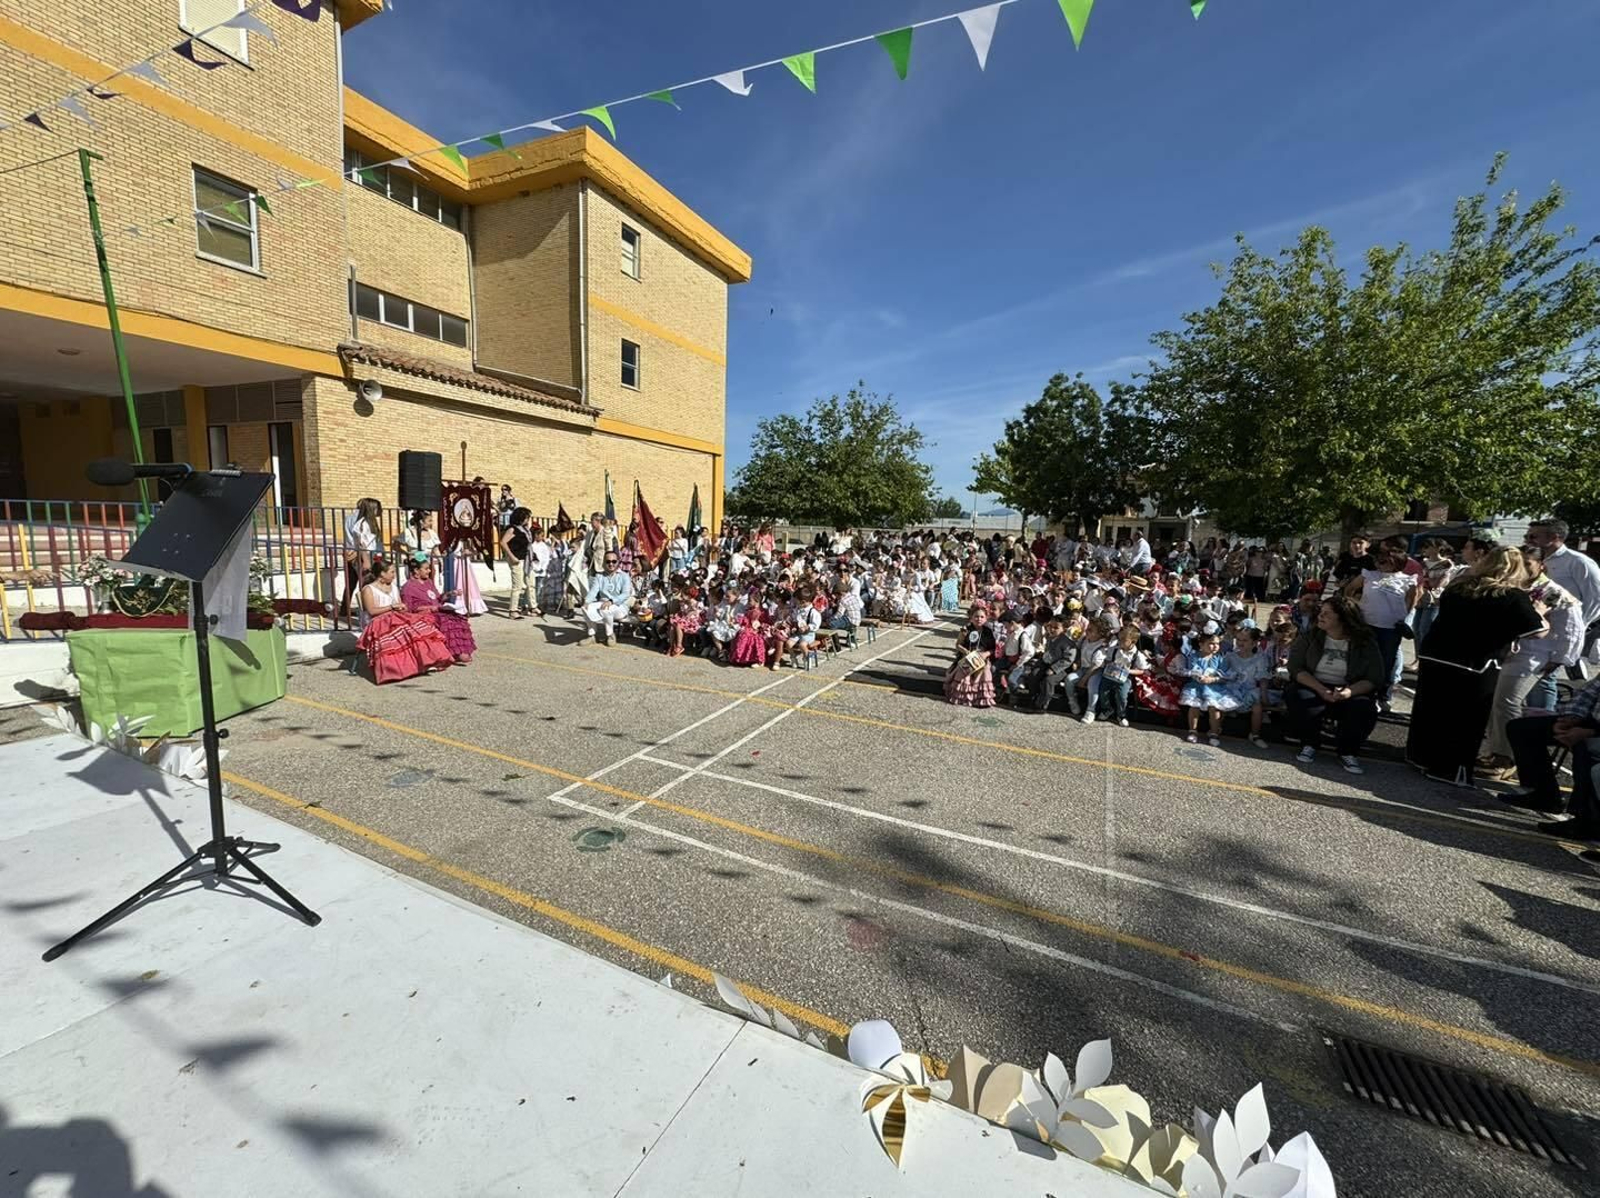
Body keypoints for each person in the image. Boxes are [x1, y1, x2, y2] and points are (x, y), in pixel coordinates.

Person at [1405, 546, 1546, 787]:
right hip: (1474, 663)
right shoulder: (1511, 595)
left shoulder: (1460, 586)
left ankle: (1420, 756)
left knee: (1430, 708)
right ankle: (1449, 769)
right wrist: (1540, 612)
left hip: (1437, 654)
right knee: (1466, 718)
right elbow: (1537, 631)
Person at [1285, 593, 1384, 773]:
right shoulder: (1310, 636)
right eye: (1321, 612)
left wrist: (1348, 692)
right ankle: (1309, 744)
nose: (1320, 616)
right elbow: (1295, 668)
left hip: (1350, 688)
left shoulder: (1365, 642)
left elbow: (1374, 677)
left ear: (1343, 618)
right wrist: (1321, 689)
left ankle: (1348, 752)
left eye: (1327, 613)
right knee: (1298, 695)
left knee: (1363, 707)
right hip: (1316, 684)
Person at [1500, 676, 1600, 842]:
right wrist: (1571, 718)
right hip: (1590, 722)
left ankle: (1585, 820)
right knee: (1521, 729)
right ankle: (1544, 795)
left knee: (1584, 747)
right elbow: (1587, 693)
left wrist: (1590, 733)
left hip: (1595, 731)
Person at [357, 555, 454, 683]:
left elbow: (399, 604)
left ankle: (426, 661)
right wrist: (392, 607)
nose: (394, 575)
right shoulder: (368, 589)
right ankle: (397, 670)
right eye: (392, 572)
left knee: (419, 628)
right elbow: (371, 611)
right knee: (399, 633)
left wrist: (401, 608)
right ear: (382, 574)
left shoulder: (393, 587)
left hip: (394, 617)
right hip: (377, 621)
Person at [1345, 538, 1419, 703]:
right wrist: (1357, 606)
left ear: (1396, 562)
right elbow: (1349, 589)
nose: (1380, 564)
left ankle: (1383, 695)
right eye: (1379, 560)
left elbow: (1412, 599)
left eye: (1384, 561)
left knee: (1387, 663)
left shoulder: (1407, 579)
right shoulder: (1369, 575)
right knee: (1362, 659)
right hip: (1367, 624)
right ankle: (1359, 692)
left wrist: (1402, 616)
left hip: (1390, 629)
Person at [1526, 519, 1600, 668]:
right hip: (1536, 629)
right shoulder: (1531, 560)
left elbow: (1596, 598)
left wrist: (1578, 626)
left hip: (1562, 633)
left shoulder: (1578, 562)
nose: (1528, 540)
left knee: (1545, 674)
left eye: (1534, 536)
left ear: (1555, 537)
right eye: (1526, 536)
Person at [400, 552, 475, 664]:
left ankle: (460, 650)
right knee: (446, 622)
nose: (429, 571)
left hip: (438, 609)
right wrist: (431, 608)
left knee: (458, 618)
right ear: (416, 571)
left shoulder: (429, 582)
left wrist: (450, 594)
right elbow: (409, 609)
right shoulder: (408, 587)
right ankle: (451, 652)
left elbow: (438, 598)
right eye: (426, 569)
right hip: (425, 614)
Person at [1180, 630, 1233, 746]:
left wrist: (1213, 679)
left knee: (1215, 707)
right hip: (1197, 686)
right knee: (1194, 705)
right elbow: (1193, 671)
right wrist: (1199, 677)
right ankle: (1193, 731)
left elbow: (1224, 676)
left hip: (1214, 688)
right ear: (1201, 644)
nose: (1215, 646)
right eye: (1211, 643)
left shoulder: (1219, 658)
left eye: (1217, 644)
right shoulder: (1194, 656)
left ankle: (1214, 733)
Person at [1097, 623, 1149, 727]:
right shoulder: (1114, 649)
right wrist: (1110, 664)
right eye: (1119, 639)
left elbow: (1142, 670)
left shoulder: (1137, 655)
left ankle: (1121, 715)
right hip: (1111, 674)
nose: (1120, 642)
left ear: (1132, 642)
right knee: (1103, 690)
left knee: (1122, 695)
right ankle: (1107, 709)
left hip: (1125, 678)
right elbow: (1107, 660)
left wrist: (1128, 671)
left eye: (1123, 640)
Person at [945, 604, 997, 707]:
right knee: (964, 671)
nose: (979, 619)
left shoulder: (988, 632)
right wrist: (966, 652)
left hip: (982, 657)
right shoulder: (966, 630)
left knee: (985, 670)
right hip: (967, 656)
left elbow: (993, 649)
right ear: (971, 618)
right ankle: (963, 698)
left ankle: (981, 699)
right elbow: (958, 645)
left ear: (986, 618)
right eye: (976, 616)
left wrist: (986, 654)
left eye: (982, 617)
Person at [341, 497, 382, 618]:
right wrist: (366, 560)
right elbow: (362, 542)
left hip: (351, 552)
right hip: (362, 555)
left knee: (351, 583)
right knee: (367, 583)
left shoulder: (350, 518)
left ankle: (345, 609)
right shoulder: (363, 523)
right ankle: (367, 610)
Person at [583, 549, 635, 645]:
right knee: (585, 608)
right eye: (608, 562)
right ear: (604, 563)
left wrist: (611, 601)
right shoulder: (599, 576)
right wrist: (587, 601)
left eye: (614, 561)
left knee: (606, 609)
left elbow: (626, 594)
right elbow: (593, 591)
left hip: (620, 606)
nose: (611, 564)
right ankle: (592, 635)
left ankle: (610, 635)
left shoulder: (624, 576)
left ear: (618, 562)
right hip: (603, 603)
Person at [499, 507, 536, 619]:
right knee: (517, 586)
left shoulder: (525, 530)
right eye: (526, 517)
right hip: (517, 559)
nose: (528, 520)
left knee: (531, 583)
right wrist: (512, 556)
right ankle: (513, 610)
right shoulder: (513, 529)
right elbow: (503, 542)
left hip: (527, 559)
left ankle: (533, 607)